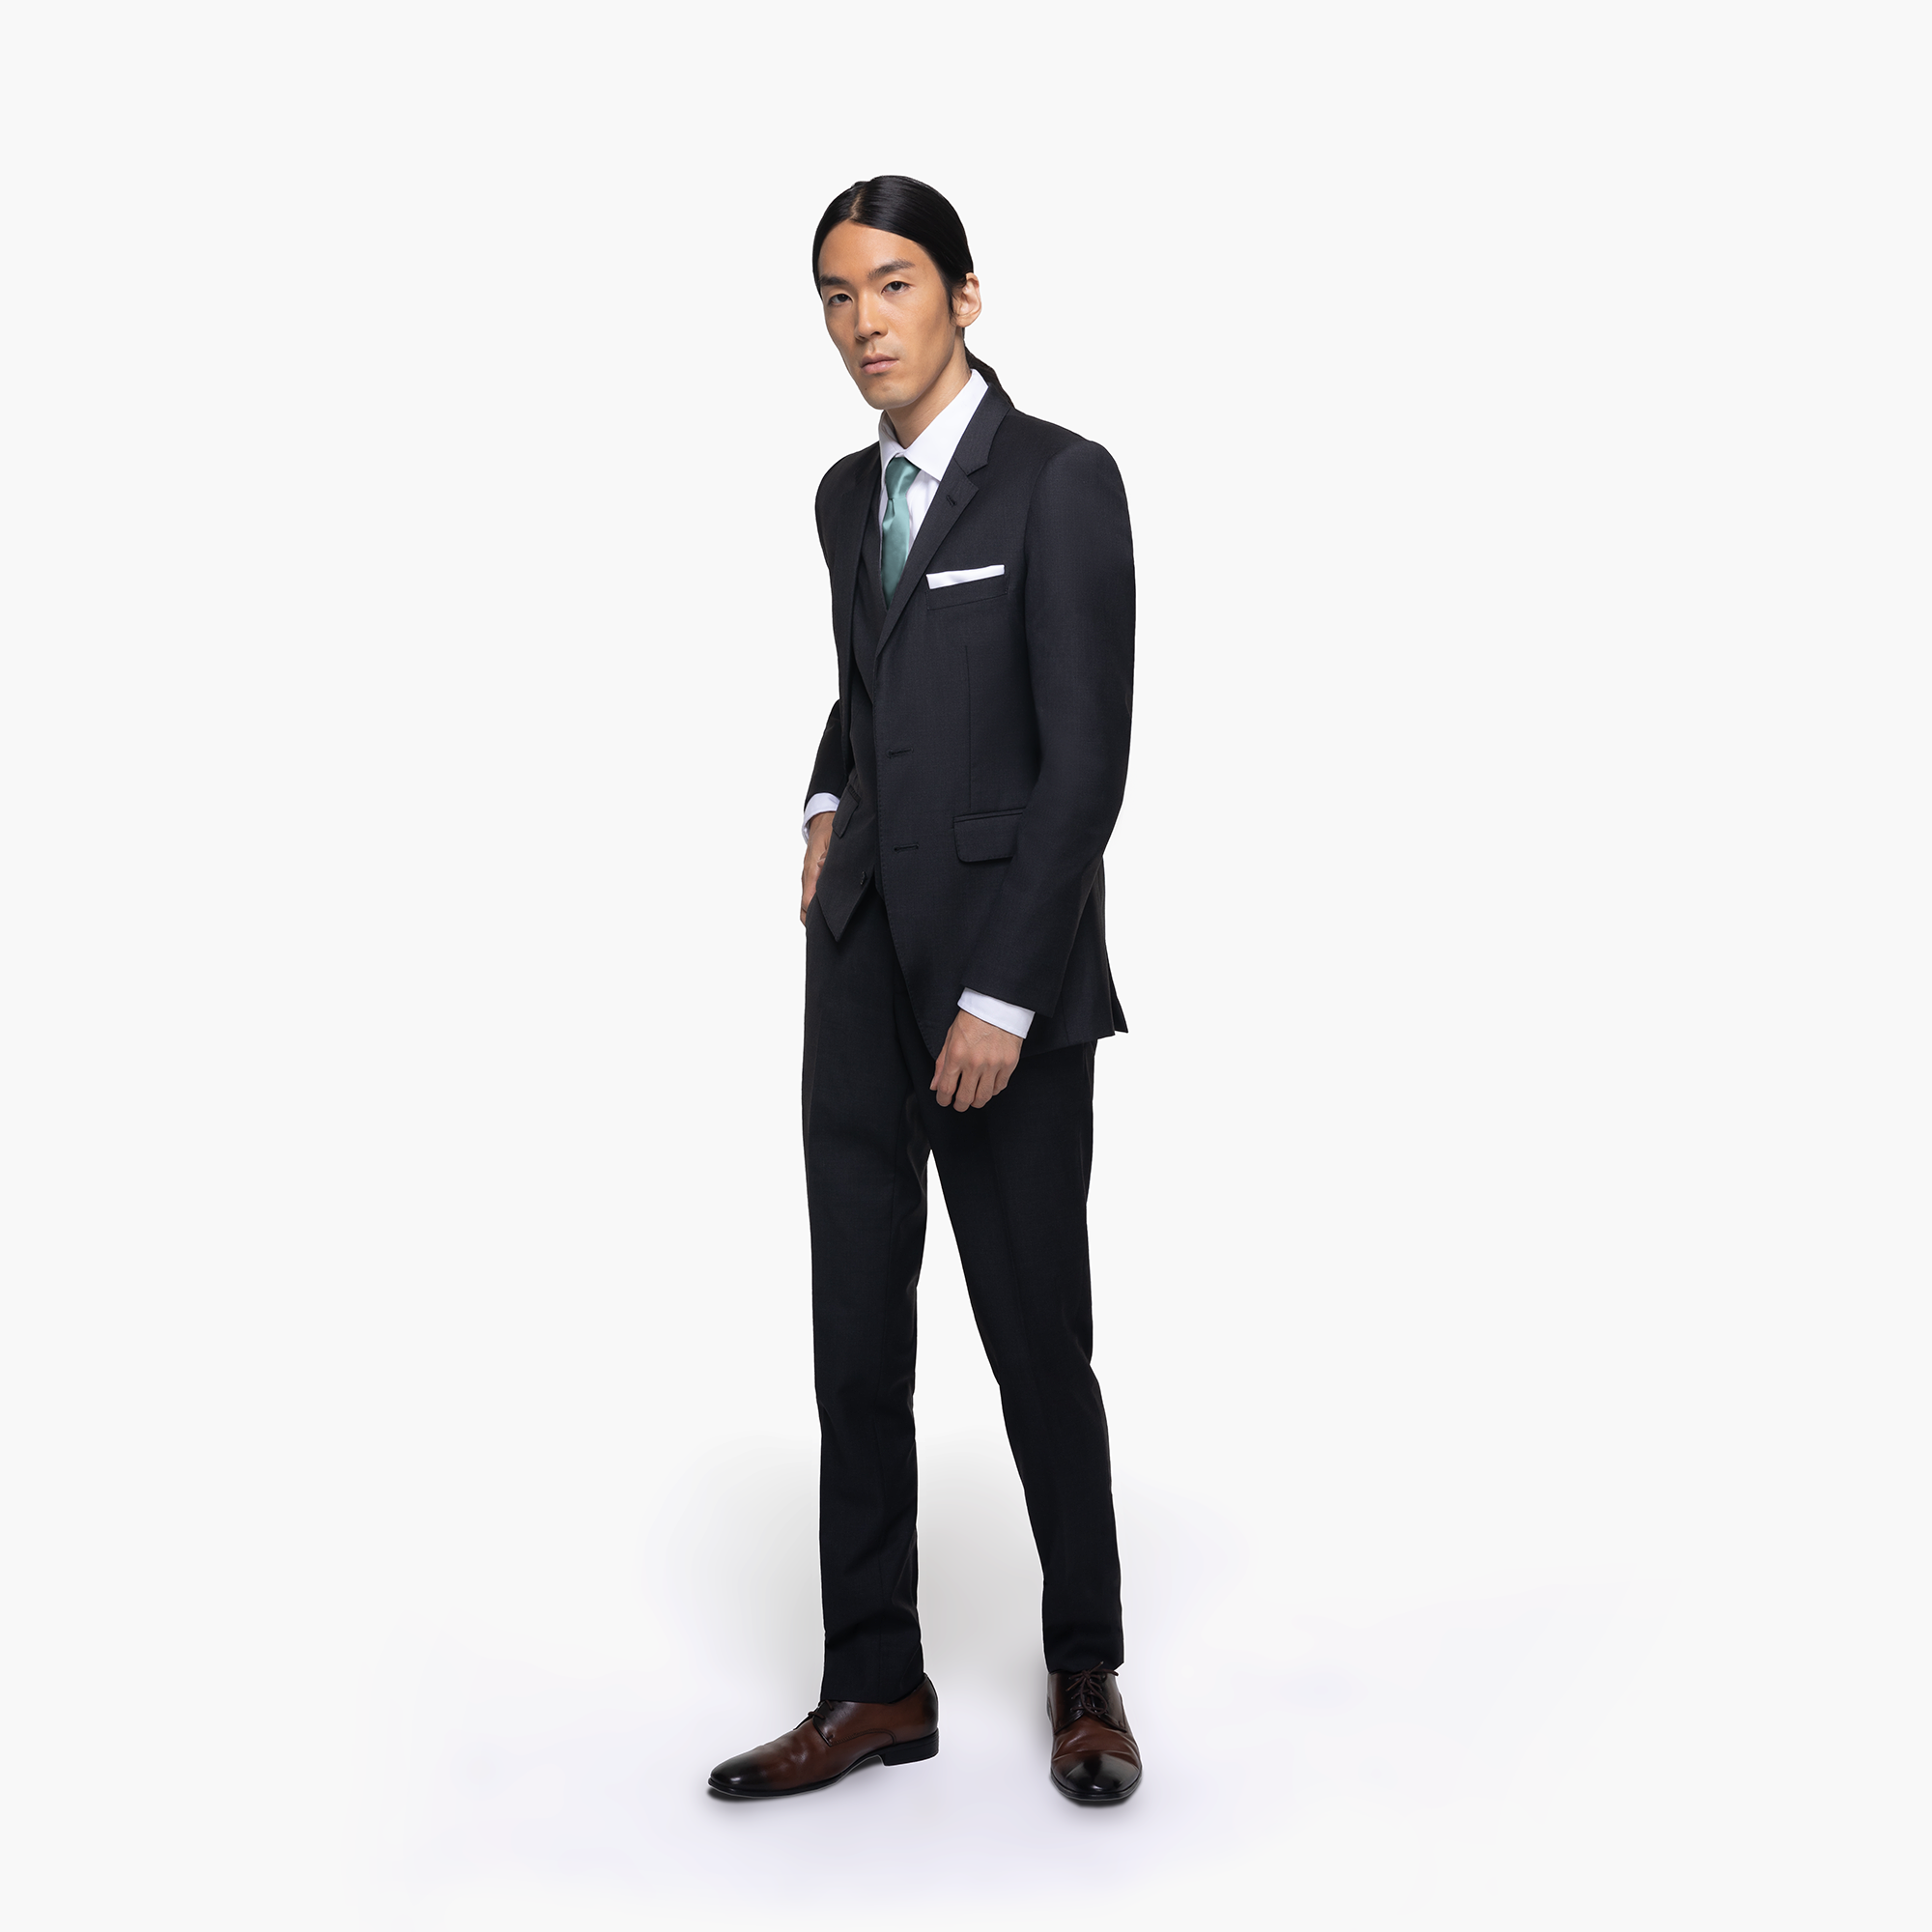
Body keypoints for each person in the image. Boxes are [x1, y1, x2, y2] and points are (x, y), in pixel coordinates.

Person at [706, 177, 1141, 1806]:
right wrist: (826, 804)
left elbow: (1086, 764)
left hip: (998, 993)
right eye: (835, 295)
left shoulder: (1062, 482)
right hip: (857, 974)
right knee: (854, 1345)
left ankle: (1086, 1668)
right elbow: (862, 691)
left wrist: (1005, 1000)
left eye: (891, 284)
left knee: (1038, 1341)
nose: (862, 322)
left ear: (964, 293)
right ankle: (873, 1682)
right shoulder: (845, 496)